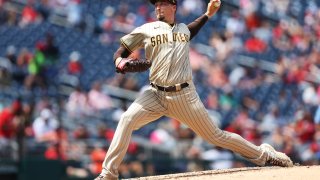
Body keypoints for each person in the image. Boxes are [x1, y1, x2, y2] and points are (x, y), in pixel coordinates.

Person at [95, 0, 293, 179]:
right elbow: (120, 52)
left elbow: (192, 29)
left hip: (184, 96)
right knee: (126, 119)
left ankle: (264, 155)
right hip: (155, 94)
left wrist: (207, 14)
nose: (157, 7)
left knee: (216, 136)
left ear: (173, 7)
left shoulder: (182, 29)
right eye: (155, 5)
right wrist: (120, 63)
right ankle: (109, 173)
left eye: (162, 4)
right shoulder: (147, 29)